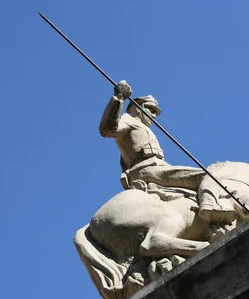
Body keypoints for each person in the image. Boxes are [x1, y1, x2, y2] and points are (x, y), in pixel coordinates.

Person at [99, 80, 236, 223]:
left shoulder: (142, 127)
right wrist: (119, 98)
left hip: (158, 168)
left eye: (155, 112)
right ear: (137, 108)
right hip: (148, 170)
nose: (154, 115)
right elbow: (107, 129)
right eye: (150, 109)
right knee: (208, 176)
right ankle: (209, 207)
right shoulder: (129, 120)